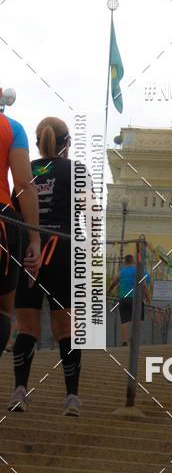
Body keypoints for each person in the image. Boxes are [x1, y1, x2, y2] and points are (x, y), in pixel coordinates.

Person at [8, 118, 83, 415]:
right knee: (66, 328)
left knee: (26, 326)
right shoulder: (75, 169)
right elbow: (87, 211)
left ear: (38, 143)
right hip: (64, 248)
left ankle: (20, 392)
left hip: (30, 248)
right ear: (67, 143)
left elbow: (17, 209)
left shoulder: (28, 171)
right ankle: (71, 398)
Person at [1, 110, 40, 408]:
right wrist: (35, 238)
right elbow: (24, 184)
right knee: (3, 307)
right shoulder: (12, 127)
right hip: (2, 221)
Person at [108, 253, 151, 346]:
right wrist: (148, 296)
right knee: (138, 320)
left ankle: (124, 342)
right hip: (137, 300)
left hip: (123, 299)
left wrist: (108, 291)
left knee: (124, 320)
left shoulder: (121, 272)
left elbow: (113, 283)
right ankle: (135, 341)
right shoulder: (138, 271)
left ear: (124, 262)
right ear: (133, 261)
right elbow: (144, 285)